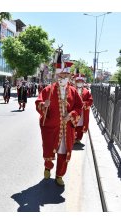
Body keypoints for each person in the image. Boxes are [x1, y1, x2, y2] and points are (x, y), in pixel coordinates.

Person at [35, 49, 83, 186]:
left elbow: (79, 107)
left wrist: (72, 115)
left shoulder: (73, 91)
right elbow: (38, 103)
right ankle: (47, 166)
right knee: (49, 149)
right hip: (51, 127)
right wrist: (44, 104)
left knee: (63, 151)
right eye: (61, 75)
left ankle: (59, 175)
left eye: (66, 75)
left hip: (67, 128)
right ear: (57, 76)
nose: (64, 78)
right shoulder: (48, 90)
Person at [74, 73, 93, 143]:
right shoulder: (72, 90)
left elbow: (90, 101)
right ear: (76, 82)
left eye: (81, 82)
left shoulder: (87, 91)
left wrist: (84, 103)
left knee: (80, 124)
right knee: (73, 123)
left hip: (83, 111)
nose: (79, 83)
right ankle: (73, 138)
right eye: (78, 81)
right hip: (74, 111)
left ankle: (78, 138)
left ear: (83, 82)